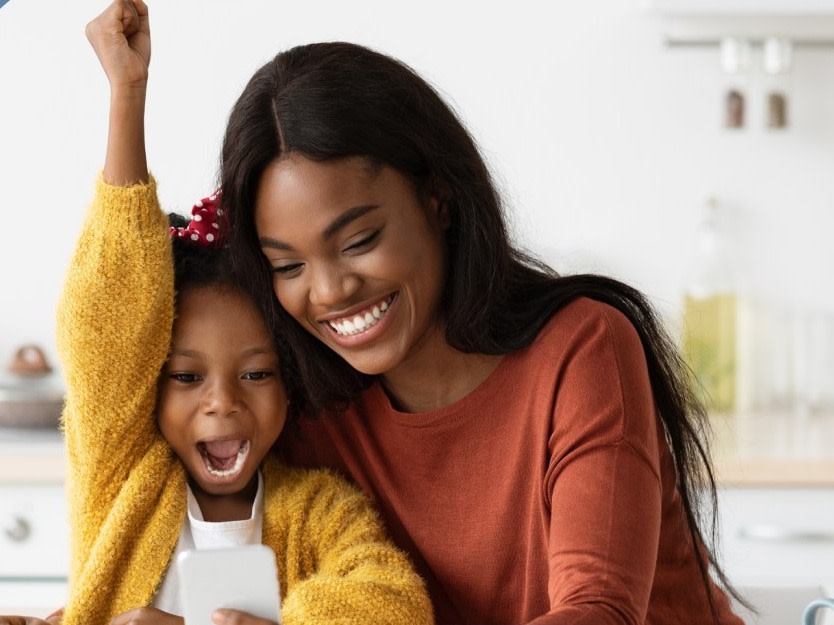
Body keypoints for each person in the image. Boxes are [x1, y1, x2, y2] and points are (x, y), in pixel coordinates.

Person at [71, 2, 749, 624]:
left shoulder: (582, 348)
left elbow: (597, 610)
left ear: (438, 199)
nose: (330, 291)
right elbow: (111, 346)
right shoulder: (305, 407)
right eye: (288, 265)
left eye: (359, 240)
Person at [0, 3, 434, 625]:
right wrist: (128, 94)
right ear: (147, 382)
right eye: (185, 376)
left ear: (290, 382)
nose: (222, 402)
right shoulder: (122, 478)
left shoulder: (319, 511)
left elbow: (395, 602)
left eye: (257, 374)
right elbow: (110, 322)